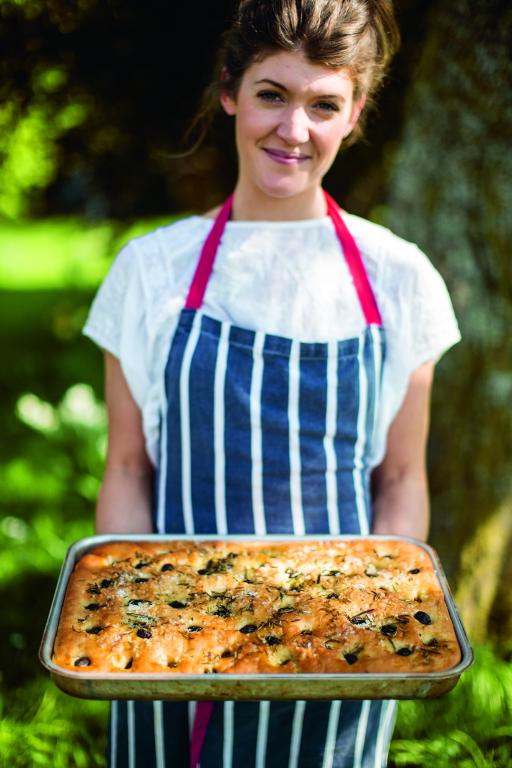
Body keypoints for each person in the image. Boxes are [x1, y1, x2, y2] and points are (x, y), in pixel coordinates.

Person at [83, 0, 461, 765]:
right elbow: (128, 469)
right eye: (272, 95)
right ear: (230, 91)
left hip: (339, 662)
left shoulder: (400, 278)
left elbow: (401, 478)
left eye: (324, 104)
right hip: (175, 656)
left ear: (354, 115)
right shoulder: (151, 271)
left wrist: (375, 623)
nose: (294, 130)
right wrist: (126, 625)